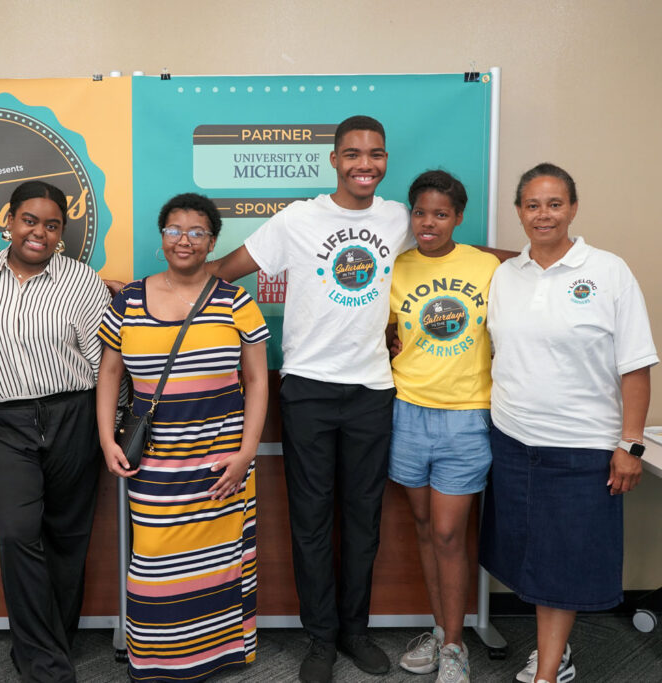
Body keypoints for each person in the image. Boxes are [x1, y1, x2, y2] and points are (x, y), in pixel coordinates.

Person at [210, 115, 413, 683]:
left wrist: (518, 260)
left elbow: (451, 248)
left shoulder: (398, 218)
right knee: (311, 520)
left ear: (385, 160)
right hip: (306, 391)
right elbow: (226, 271)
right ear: (334, 160)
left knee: (363, 520)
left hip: (374, 389)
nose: (364, 164)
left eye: (375, 153)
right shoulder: (299, 218)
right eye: (352, 154)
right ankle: (320, 637)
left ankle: (355, 631)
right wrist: (158, 288)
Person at [480, 163, 656, 683]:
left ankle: (548, 670)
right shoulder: (506, 276)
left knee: (562, 563)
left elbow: (636, 366)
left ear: (573, 209)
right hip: (512, 442)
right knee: (529, 558)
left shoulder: (608, 271)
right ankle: (554, 653)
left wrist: (631, 444)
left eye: (554, 204)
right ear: (518, 212)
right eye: (532, 205)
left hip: (582, 447)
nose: (543, 215)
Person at [97, 193, 270, 682]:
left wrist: (246, 454)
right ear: (162, 237)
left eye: (197, 233)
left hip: (221, 464)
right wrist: (107, 439)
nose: (185, 241)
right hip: (152, 464)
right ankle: (156, 662)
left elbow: (256, 380)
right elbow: (110, 371)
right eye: (174, 230)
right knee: (154, 567)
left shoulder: (236, 302)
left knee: (219, 566)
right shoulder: (129, 299)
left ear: (213, 242)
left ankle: (217, 656)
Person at [0, 180, 110, 682]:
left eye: (52, 225)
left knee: (67, 537)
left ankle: (51, 641)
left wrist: (111, 428)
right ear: (9, 221)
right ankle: (43, 662)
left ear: (62, 232)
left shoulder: (80, 281)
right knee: (19, 534)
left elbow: (106, 362)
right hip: (1, 422)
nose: (39, 232)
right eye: (30, 220)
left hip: (71, 415)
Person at [388, 171, 500, 683]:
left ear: (458, 217)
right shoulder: (396, 267)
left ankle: (456, 646)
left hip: (468, 416)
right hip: (406, 411)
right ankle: (440, 632)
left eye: (440, 214)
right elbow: (383, 327)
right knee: (426, 528)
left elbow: (533, 266)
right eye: (420, 212)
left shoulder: (486, 265)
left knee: (451, 532)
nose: (428, 222)